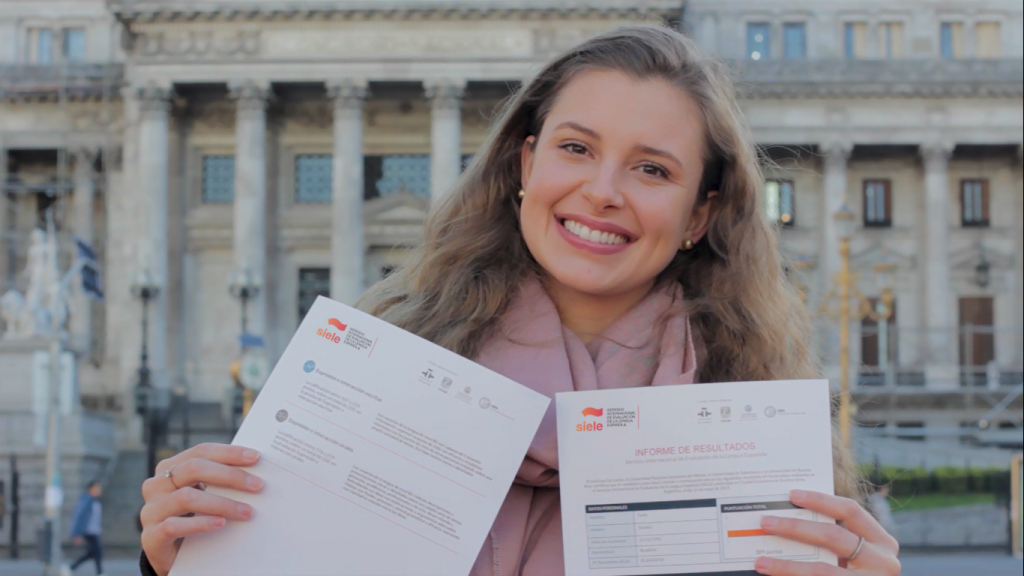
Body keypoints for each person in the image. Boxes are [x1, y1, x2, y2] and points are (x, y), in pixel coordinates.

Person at [137, 25, 901, 576]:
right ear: (525, 164)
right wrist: (185, 555)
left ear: (700, 214)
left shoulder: (761, 433)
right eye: (576, 148)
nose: (601, 192)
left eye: (653, 170)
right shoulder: (368, 383)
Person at [70, 480, 104, 575]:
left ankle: (71, 567)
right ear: (91, 489)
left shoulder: (96, 502)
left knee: (91, 553)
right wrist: (76, 534)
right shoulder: (86, 501)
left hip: (94, 531)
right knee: (97, 552)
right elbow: (79, 517)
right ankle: (99, 572)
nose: (99, 490)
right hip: (88, 531)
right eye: (97, 488)